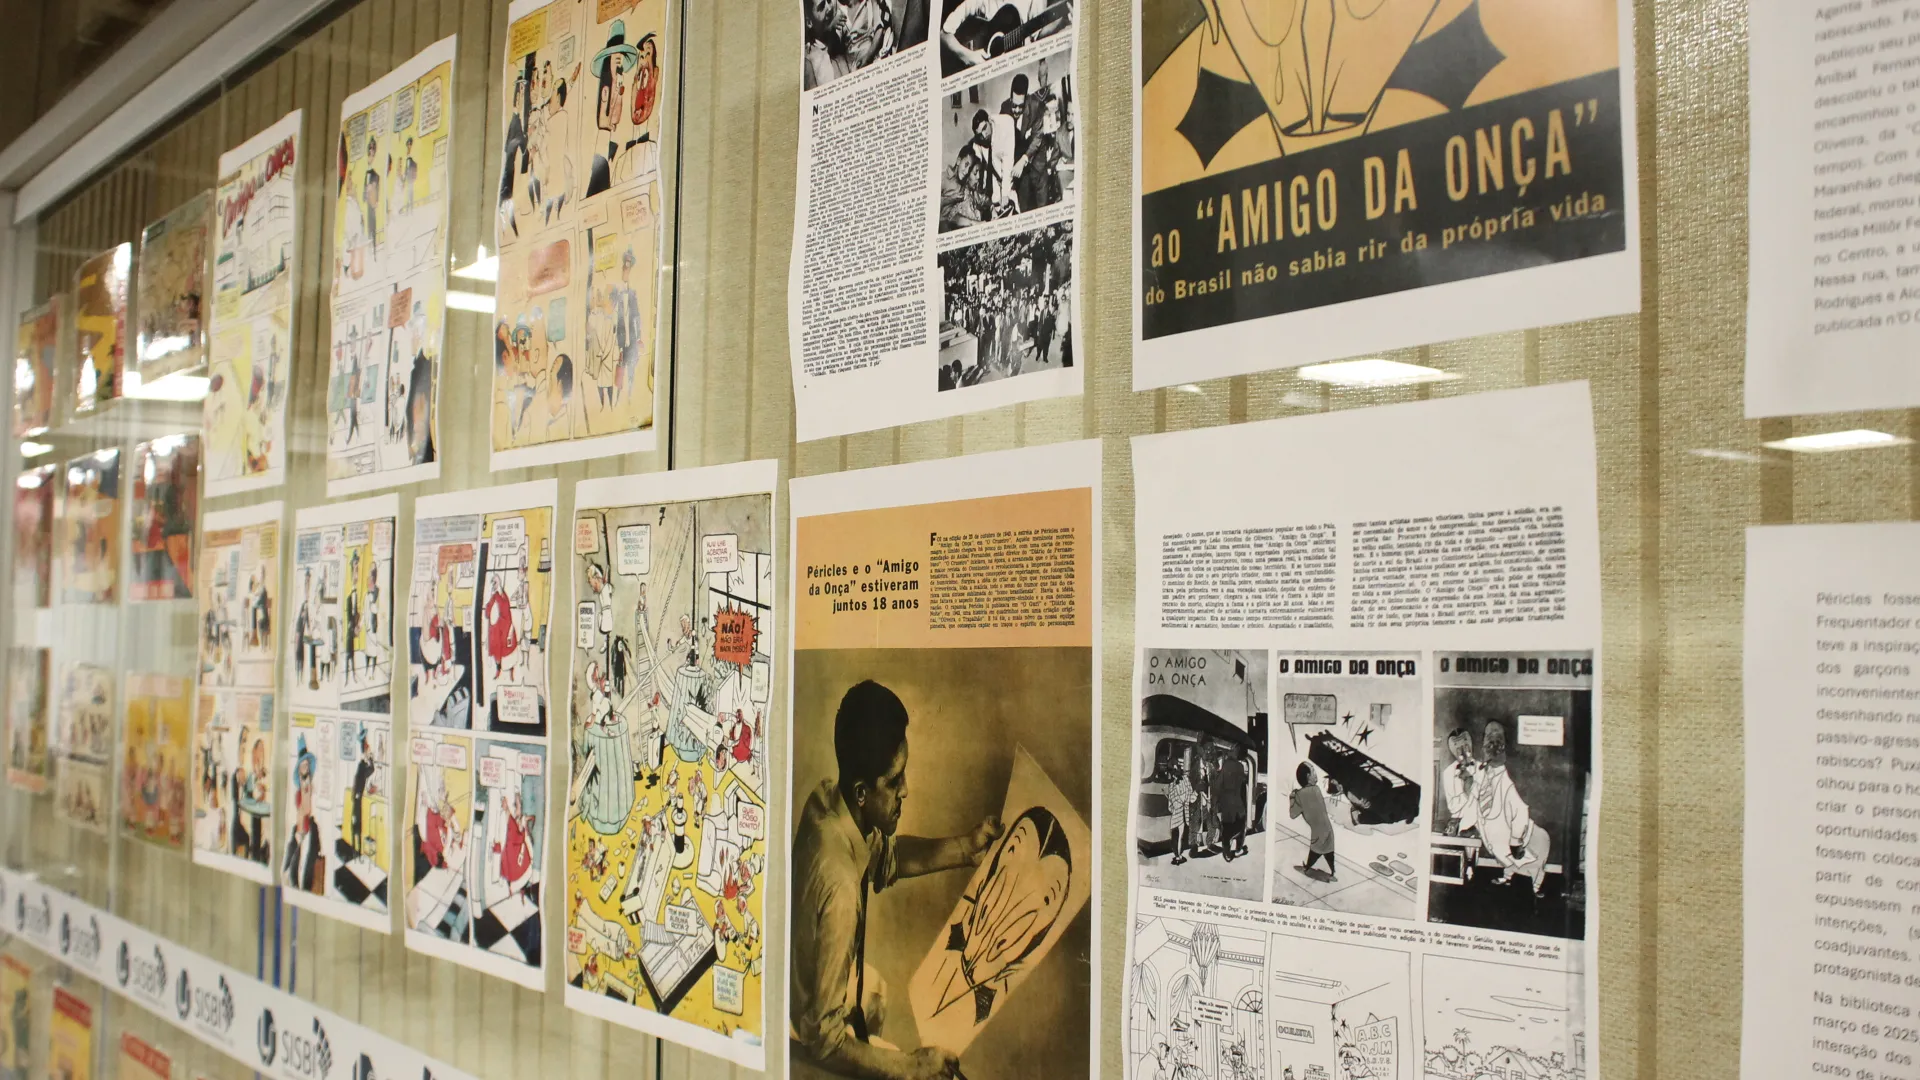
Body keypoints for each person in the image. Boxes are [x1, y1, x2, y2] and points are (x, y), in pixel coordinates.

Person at [790, 680, 1002, 1080]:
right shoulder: (840, 887)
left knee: (876, 992)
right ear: (862, 793)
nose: (906, 790)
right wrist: (911, 1066)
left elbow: (887, 857)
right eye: (893, 781)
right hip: (806, 1040)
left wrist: (965, 848)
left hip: (814, 992)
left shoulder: (830, 802)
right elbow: (824, 1039)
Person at [1474, 721, 1551, 895]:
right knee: (1506, 858)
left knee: (1532, 866)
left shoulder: (1507, 782)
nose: (1493, 745)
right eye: (1489, 739)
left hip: (1530, 839)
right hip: (1501, 840)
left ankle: (1535, 888)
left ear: (1504, 747)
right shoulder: (1482, 775)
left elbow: (1520, 810)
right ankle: (1508, 877)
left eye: (1498, 741)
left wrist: (1516, 841)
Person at [940, 109, 996, 231]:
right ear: (958, 161)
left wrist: (992, 208)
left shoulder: (965, 186)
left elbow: (982, 199)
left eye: (969, 168)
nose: (966, 171)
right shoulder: (944, 178)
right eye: (965, 165)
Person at [1290, 761, 1336, 880]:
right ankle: (1332, 871)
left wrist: (1292, 797)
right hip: (1328, 830)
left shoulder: (1300, 794)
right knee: (1328, 852)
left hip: (1318, 833)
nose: (1316, 775)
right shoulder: (1316, 789)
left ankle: (1308, 867)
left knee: (1316, 852)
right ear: (1308, 776)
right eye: (1313, 772)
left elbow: (1293, 814)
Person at [1440, 727, 1480, 837]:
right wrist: (1466, 792)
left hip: (1480, 824)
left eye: (1465, 745)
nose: (1463, 751)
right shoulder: (1448, 772)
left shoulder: (1482, 769)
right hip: (1459, 824)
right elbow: (1452, 806)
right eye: (1457, 748)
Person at [1165, 753, 1196, 866]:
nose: (1177, 769)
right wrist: (1177, 806)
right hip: (1178, 815)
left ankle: (1178, 856)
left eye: (1177, 766)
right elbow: (1171, 806)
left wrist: (1196, 792)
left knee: (1180, 837)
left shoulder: (1185, 781)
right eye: (1175, 768)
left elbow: (1191, 798)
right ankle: (1178, 856)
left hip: (1182, 815)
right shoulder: (1173, 786)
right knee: (1177, 836)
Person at [1220, 750, 1249, 860]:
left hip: (1227, 805)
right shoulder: (1240, 768)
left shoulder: (1225, 767)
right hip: (1238, 805)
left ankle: (1227, 853)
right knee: (1240, 828)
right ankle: (1237, 849)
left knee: (1226, 830)